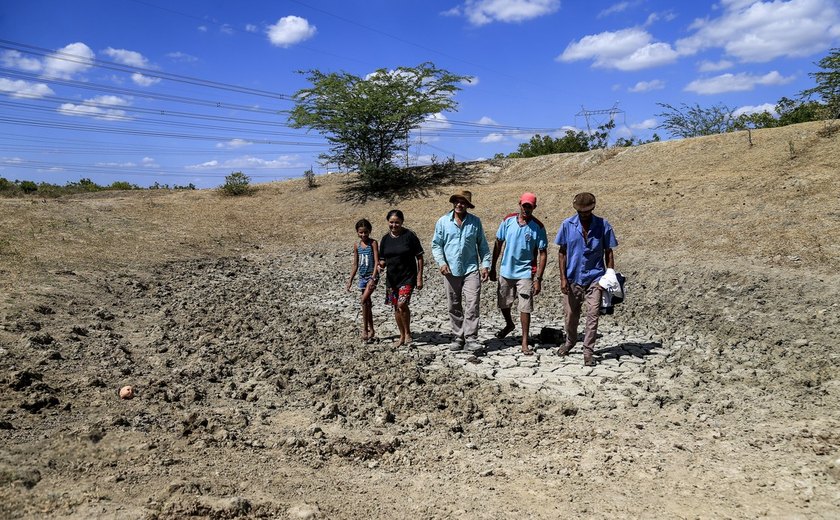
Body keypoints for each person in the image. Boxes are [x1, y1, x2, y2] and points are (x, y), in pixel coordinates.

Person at [554, 192, 618, 366]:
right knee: (570, 316)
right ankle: (570, 341)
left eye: (586, 212)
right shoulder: (567, 225)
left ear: (593, 208)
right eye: (580, 212)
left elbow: (608, 251)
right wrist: (563, 278)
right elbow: (562, 253)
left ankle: (588, 351)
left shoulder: (603, 225)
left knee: (593, 314)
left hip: (595, 277)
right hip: (573, 277)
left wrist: (610, 274)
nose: (583, 215)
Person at [431, 190, 491, 352]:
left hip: (471, 269)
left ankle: (471, 338)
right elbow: (436, 245)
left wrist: (485, 265)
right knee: (454, 304)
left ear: (468, 205)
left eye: (463, 202)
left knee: (472, 303)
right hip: (450, 270)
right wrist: (442, 263)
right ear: (453, 203)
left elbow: (483, 245)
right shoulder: (443, 222)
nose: (459, 204)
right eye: (457, 201)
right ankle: (458, 336)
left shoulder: (475, 222)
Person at [489, 193, 548, 355]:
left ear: (534, 207)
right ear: (519, 204)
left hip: (526, 272)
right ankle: (509, 324)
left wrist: (539, 279)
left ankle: (524, 341)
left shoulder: (538, 227)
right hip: (506, 270)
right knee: (503, 302)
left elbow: (543, 252)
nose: (526, 209)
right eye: (524, 205)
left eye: (530, 206)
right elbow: (498, 243)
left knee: (525, 307)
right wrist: (492, 266)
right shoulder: (508, 220)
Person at [378, 209, 424, 347]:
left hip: (408, 277)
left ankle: (408, 333)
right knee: (396, 308)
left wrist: (419, 277)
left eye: (397, 222)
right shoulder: (385, 239)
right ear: (388, 222)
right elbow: (383, 259)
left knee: (402, 304)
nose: (394, 225)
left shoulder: (409, 236)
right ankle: (402, 335)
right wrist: (380, 266)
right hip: (392, 279)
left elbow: (419, 257)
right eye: (391, 222)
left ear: (402, 222)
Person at [346, 218, 380, 343]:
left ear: (369, 231)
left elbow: (377, 261)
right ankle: (372, 330)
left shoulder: (373, 243)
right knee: (367, 304)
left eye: (366, 232)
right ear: (357, 232)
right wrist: (350, 279)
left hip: (372, 276)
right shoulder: (357, 245)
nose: (363, 235)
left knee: (364, 300)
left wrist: (373, 277)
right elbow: (355, 264)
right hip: (362, 277)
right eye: (361, 232)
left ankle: (365, 329)